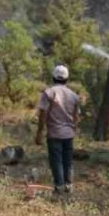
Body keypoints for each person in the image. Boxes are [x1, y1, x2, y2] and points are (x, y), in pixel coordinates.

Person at [34, 64, 81, 194]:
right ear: (67, 79)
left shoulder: (49, 92)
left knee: (57, 161)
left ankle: (59, 188)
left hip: (54, 134)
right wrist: (74, 129)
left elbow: (43, 113)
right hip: (69, 134)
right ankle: (68, 186)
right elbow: (76, 116)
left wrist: (39, 133)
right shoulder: (73, 95)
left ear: (53, 77)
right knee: (68, 161)